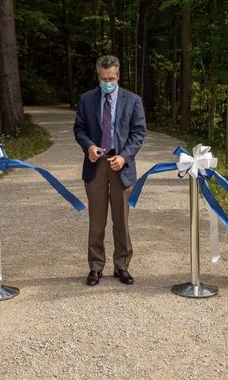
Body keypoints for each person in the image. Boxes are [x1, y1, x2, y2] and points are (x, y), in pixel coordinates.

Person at [74, 55, 147, 286]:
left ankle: (122, 266)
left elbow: (138, 133)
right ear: (98, 76)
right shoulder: (87, 99)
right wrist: (89, 146)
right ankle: (96, 267)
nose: (108, 82)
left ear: (118, 76)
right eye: (104, 79)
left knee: (121, 221)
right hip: (96, 166)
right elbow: (79, 129)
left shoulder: (133, 100)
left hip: (121, 166)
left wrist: (124, 157)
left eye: (112, 78)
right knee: (96, 221)